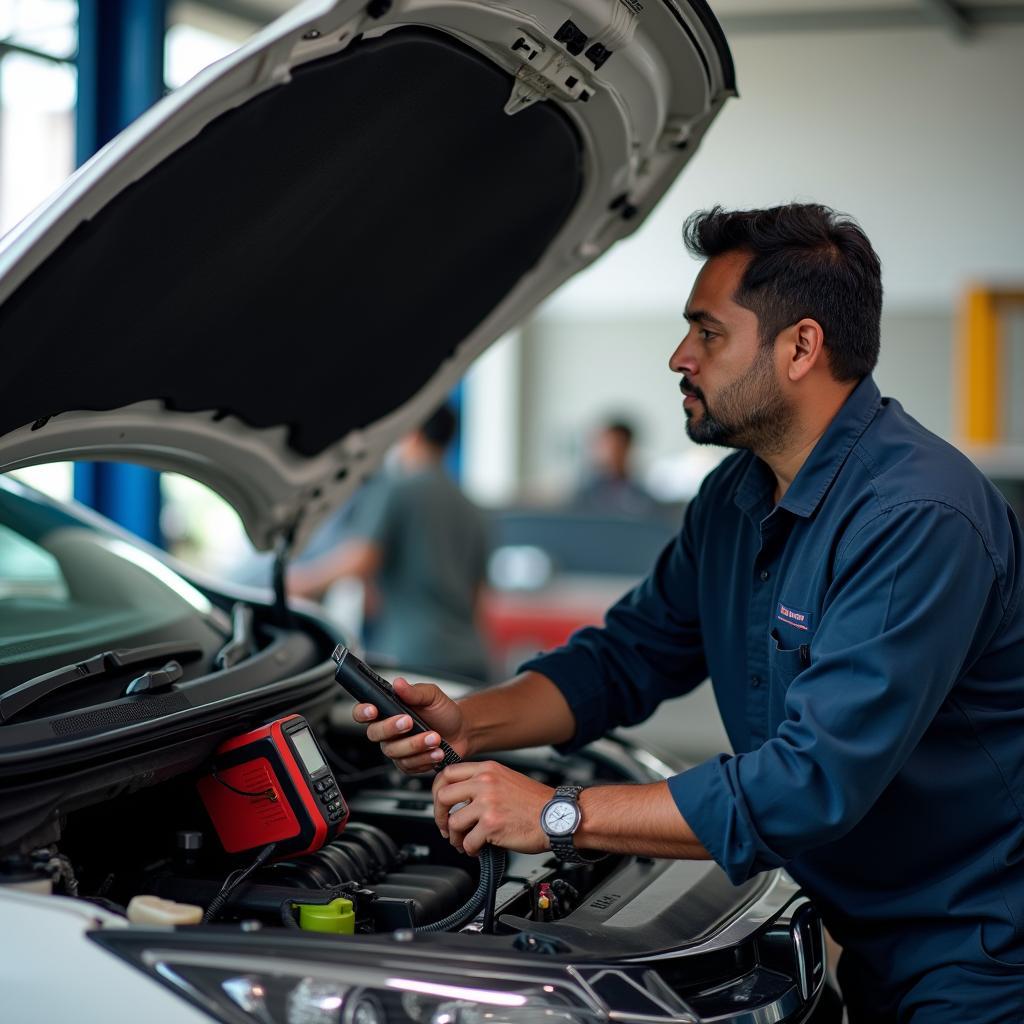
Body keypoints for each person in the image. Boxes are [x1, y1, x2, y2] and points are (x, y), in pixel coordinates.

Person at [352, 205, 1024, 1021]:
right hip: (873, 933)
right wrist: (470, 723)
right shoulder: (734, 499)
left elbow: (812, 783)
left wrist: (558, 816)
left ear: (801, 347)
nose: (680, 356)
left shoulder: (917, 518)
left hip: (983, 949)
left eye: (708, 332)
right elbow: (626, 657)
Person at [289, 403, 491, 681]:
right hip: (470, 659)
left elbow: (361, 559)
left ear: (412, 433)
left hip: (414, 659)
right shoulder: (473, 508)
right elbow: (479, 597)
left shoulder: (398, 490)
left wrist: (299, 582)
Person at [571, 418, 660, 517]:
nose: (613, 454)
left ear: (628, 448)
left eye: (619, 447)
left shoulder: (642, 497)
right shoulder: (586, 495)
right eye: (610, 447)